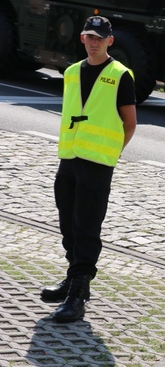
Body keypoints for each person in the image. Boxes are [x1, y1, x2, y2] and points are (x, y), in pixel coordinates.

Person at [41, 16, 137, 323]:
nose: (93, 42)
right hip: (69, 158)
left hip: (97, 164)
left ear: (110, 41)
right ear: (82, 39)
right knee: (68, 223)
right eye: (88, 37)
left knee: (86, 227)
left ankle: (79, 295)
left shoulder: (120, 75)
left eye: (99, 37)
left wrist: (111, 154)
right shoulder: (71, 72)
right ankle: (72, 278)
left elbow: (129, 124)